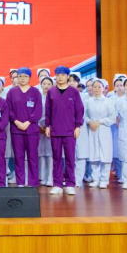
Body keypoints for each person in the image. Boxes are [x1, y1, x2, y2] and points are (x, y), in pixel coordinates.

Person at [43, 66, 85, 195]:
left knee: (70, 158)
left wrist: (77, 126)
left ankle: (70, 184)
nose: (60, 77)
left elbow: (79, 110)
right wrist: (47, 126)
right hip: (55, 130)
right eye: (58, 75)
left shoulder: (74, 92)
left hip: (70, 131)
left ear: (67, 76)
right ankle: (57, 184)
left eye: (63, 75)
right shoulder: (51, 92)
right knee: (56, 158)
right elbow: (48, 110)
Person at [6, 67, 43, 187]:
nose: (22, 78)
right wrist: (16, 121)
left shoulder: (35, 92)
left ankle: (33, 183)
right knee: (19, 157)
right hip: (16, 130)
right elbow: (8, 109)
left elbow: (38, 110)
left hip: (31, 130)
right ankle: (20, 182)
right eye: (20, 76)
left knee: (32, 157)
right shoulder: (12, 92)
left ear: (29, 77)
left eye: (25, 76)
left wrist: (28, 122)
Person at [85, 79, 116, 188]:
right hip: (92, 130)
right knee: (94, 156)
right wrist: (89, 122)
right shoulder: (88, 101)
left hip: (104, 130)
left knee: (105, 156)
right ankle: (95, 179)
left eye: (99, 87)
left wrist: (101, 121)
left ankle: (104, 180)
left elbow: (112, 117)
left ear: (104, 88)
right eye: (95, 87)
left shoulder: (108, 102)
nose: (97, 89)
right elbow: (84, 115)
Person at [37, 76, 54, 186]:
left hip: (51, 129)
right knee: (41, 153)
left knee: (50, 154)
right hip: (39, 128)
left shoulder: (55, 97)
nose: (46, 86)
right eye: (44, 84)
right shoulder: (38, 98)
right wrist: (38, 126)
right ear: (41, 85)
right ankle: (42, 177)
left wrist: (50, 126)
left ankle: (50, 178)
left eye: (49, 84)